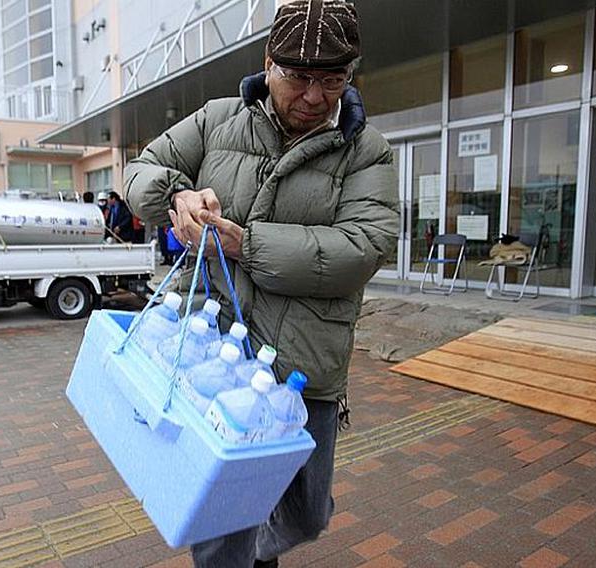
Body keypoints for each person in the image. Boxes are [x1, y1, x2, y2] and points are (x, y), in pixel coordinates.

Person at [124, 1, 398, 566]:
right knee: (223, 528)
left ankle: (257, 547)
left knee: (306, 512)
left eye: (333, 79)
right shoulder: (217, 119)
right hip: (211, 353)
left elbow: (364, 247)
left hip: (304, 367)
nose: (316, 97)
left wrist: (245, 246)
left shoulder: (365, 149)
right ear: (269, 64)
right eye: (299, 78)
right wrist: (176, 194)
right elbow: (139, 171)